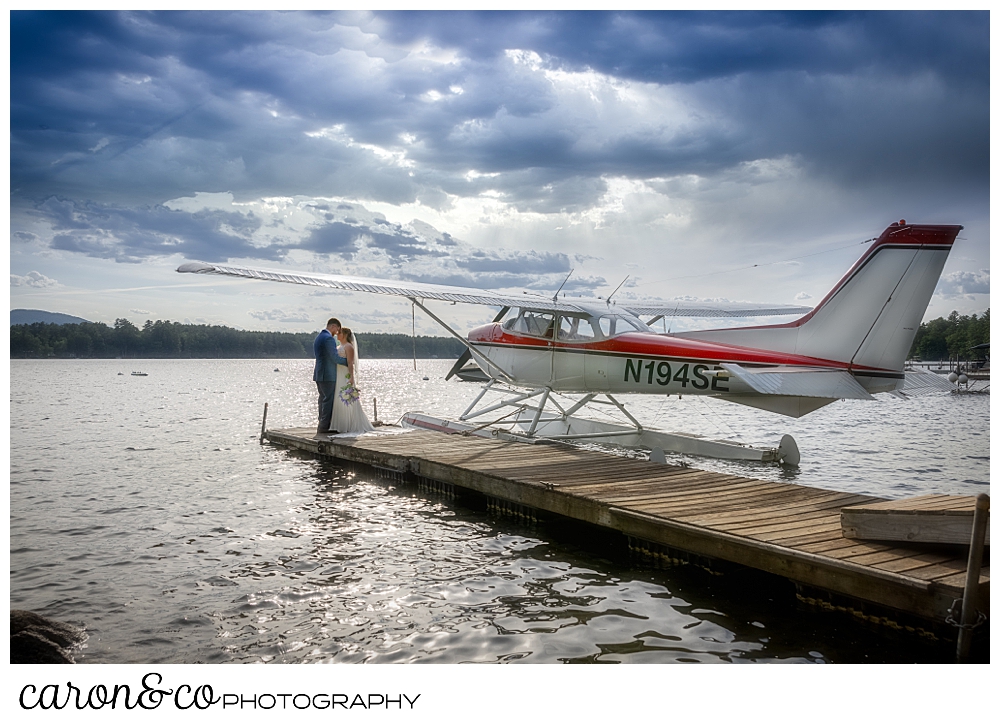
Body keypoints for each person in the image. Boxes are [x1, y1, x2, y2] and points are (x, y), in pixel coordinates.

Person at [330, 326, 374, 434]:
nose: (337, 335)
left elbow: (350, 363)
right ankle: (341, 424)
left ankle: (350, 424)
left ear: (344, 335)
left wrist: (351, 377)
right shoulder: (340, 346)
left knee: (347, 398)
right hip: (338, 373)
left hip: (345, 374)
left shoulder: (349, 346)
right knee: (339, 398)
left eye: (339, 333)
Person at [313, 317, 348, 435]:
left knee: (322, 399)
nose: (337, 333)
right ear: (333, 326)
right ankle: (324, 427)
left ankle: (321, 423)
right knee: (328, 400)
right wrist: (348, 362)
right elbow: (334, 357)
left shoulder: (319, 337)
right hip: (327, 374)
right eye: (337, 330)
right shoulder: (328, 339)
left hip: (319, 373)